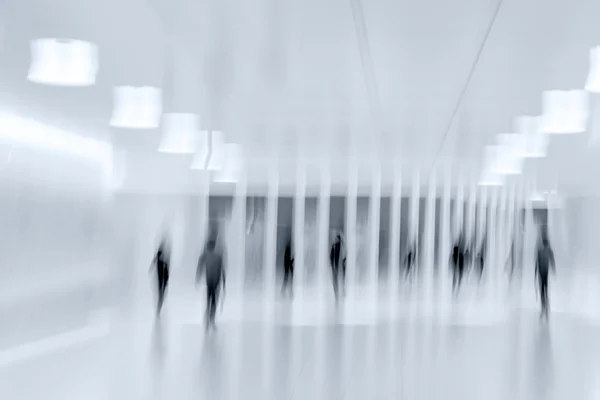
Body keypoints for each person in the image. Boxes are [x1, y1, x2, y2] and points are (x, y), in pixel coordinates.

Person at [197, 237, 226, 330]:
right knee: (212, 300)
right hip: (214, 281)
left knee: (209, 299)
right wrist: (224, 282)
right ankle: (211, 319)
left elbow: (200, 265)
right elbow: (222, 270)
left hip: (210, 280)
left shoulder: (207, 255)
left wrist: (198, 276)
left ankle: (209, 318)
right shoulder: (218, 256)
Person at [535, 232, 555, 320]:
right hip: (543, 271)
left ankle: (544, 307)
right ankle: (545, 307)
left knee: (543, 290)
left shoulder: (542, 251)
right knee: (544, 289)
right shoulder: (547, 250)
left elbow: (537, 262)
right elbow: (551, 260)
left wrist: (535, 272)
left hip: (542, 272)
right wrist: (553, 269)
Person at [149, 240, 170, 315]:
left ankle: (159, 306)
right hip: (162, 276)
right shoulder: (163, 256)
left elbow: (154, 262)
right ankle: (159, 306)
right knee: (161, 292)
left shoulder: (160, 256)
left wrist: (151, 269)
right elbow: (165, 267)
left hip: (161, 276)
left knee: (161, 291)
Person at [329, 232, 346, 300]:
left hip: (338, 266)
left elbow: (331, 257)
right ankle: (338, 293)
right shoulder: (337, 246)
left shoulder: (339, 246)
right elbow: (331, 257)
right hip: (337, 266)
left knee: (339, 280)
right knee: (338, 279)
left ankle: (339, 293)